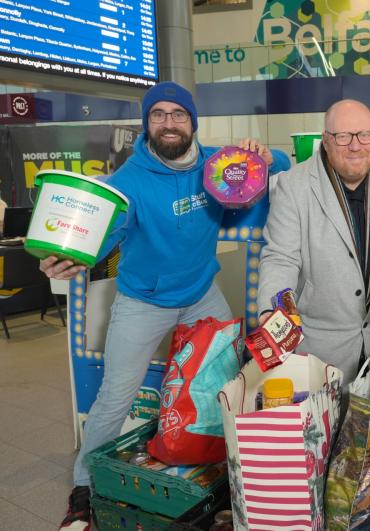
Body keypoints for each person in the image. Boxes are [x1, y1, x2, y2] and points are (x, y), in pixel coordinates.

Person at [40, 81, 288, 531]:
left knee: (224, 384)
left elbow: (282, 166)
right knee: (116, 397)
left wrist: (265, 155)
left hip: (201, 294)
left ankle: (222, 473)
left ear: (193, 123)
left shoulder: (219, 165)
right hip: (143, 301)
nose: (168, 122)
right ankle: (81, 489)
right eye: (158, 115)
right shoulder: (127, 181)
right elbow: (100, 238)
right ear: (147, 123)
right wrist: (70, 258)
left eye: (178, 114)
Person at [257, 99, 370, 383]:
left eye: (365, 135)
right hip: (322, 347)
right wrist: (271, 312)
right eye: (343, 136)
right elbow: (280, 257)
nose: (356, 145)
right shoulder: (294, 184)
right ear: (325, 140)